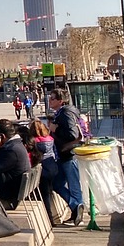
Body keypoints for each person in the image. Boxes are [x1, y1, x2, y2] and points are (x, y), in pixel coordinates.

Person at [47, 89, 86, 226]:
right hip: (63, 155)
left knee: (73, 186)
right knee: (57, 184)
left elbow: (72, 134)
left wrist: (55, 129)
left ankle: (77, 215)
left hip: (69, 154)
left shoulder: (66, 113)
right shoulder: (62, 113)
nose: (50, 100)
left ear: (60, 101)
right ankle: (76, 207)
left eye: (52, 98)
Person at [0, 119, 30, 208]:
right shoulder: (16, 145)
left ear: (2, 136)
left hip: (7, 199)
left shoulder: (11, 151)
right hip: (11, 194)